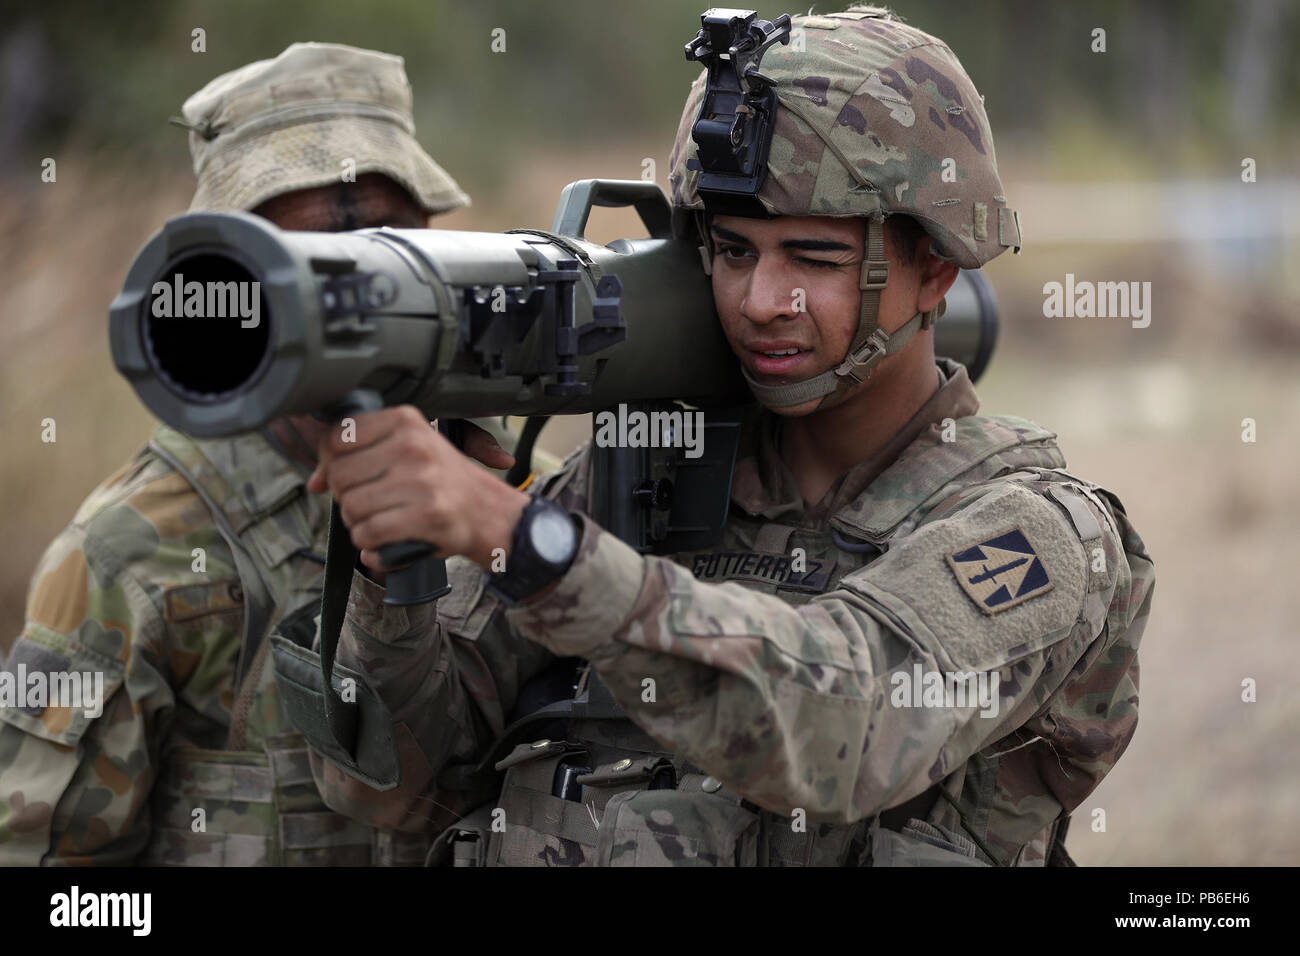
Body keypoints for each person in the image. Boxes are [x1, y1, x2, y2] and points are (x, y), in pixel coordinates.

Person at [304, 6, 1156, 866]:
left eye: (813, 260)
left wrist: (523, 540)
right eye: (735, 251)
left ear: (933, 266)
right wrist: (396, 576)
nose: (759, 302)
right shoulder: (641, 478)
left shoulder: (1040, 533)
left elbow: (839, 730)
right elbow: (395, 790)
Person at [0, 42, 530, 865]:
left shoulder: (500, 488)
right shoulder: (130, 557)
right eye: (325, 258)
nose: (374, 294)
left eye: (399, 246)